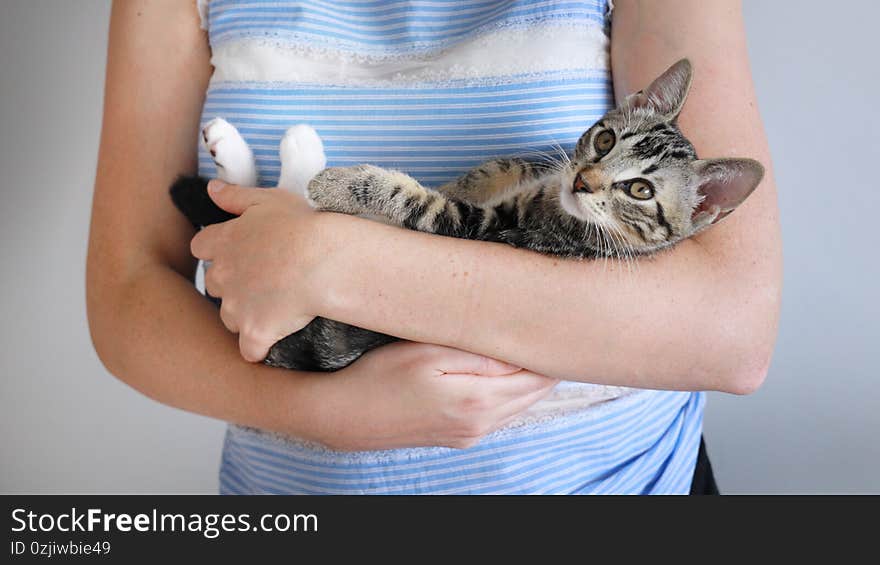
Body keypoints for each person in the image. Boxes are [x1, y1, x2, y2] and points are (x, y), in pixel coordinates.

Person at [87, 0, 781, 494]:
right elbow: (126, 296)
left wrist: (336, 263)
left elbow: (735, 329)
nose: (594, 175)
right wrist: (325, 414)